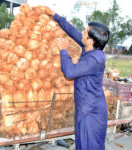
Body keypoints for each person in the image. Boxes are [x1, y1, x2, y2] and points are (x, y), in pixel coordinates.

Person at [46, 7, 110, 150]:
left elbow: (70, 72)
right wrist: (55, 16)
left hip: (91, 113)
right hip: (84, 108)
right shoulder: (90, 47)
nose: (81, 33)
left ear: (90, 40)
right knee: (81, 145)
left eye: (84, 32)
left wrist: (63, 50)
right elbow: (72, 31)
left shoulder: (95, 59)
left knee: (90, 146)